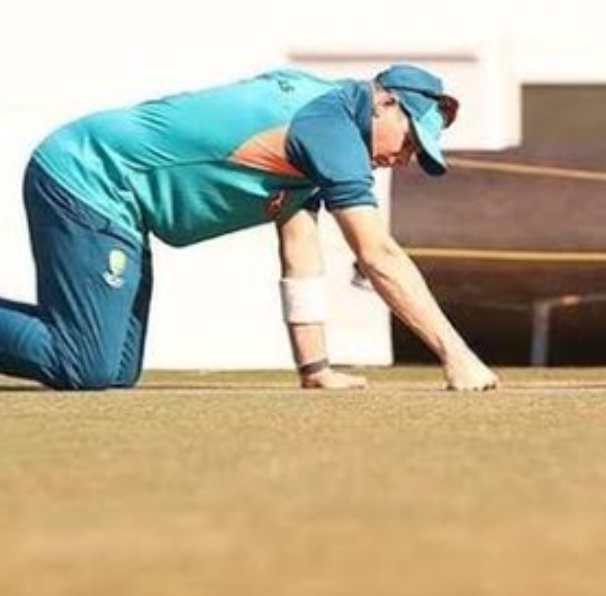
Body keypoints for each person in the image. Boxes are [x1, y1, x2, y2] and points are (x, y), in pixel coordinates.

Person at [0, 64, 499, 392]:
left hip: (122, 201)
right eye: (409, 142)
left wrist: (315, 369)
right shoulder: (330, 128)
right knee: (82, 365)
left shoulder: (328, 120)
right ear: (385, 103)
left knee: (115, 370)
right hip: (87, 173)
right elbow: (377, 254)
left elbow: (300, 245)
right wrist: (456, 355)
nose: (404, 159)